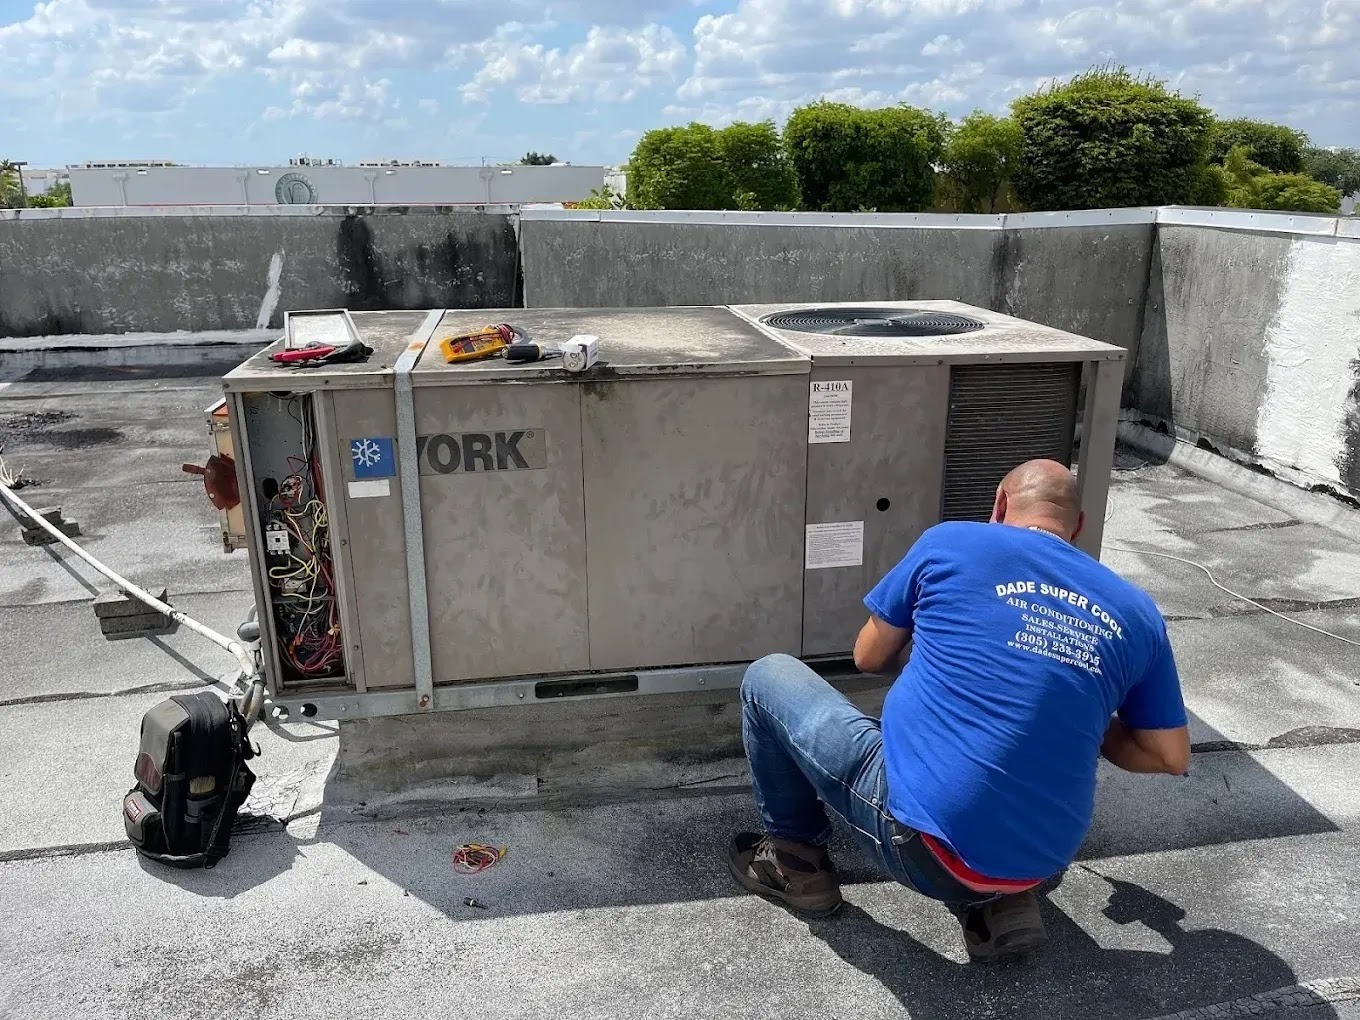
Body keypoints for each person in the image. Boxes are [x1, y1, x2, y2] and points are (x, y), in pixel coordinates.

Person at [728, 459, 1190, 963]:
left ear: (999, 504)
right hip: (1040, 858)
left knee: (768, 676)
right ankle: (998, 903)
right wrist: (1078, 705)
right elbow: (1169, 755)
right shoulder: (1137, 610)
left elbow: (868, 656)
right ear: (1076, 527)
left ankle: (795, 861)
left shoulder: (950, 542)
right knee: (997, 767)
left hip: (920, 847)